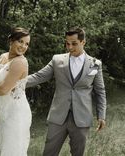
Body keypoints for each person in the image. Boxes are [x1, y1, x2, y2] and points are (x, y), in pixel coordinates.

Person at [26, 27, 107, 156]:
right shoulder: (57, 60)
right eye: (67, 43)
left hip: (82, 117)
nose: (69, 47)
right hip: (58, 116)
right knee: (49, 153)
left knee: (77, 153)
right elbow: (39, 76)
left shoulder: (95, 64)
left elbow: (100, 91)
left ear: (83, 42)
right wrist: (16, 83)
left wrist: (101, 115)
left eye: (74, 43)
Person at [0, 27, 32, 156]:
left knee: (14, 150)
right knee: (6, 148)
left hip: (16, 112)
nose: (23, 46)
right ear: (11, 40)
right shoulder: (3, 57)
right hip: (4, 109)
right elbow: (0, 84)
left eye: (27, 44)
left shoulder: (20, 62)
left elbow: (3, 89)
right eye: (20, 41)